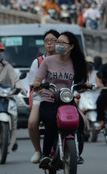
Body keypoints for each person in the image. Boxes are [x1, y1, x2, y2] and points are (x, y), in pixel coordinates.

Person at [33, 31, 90, 168]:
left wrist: (85, 86)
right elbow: (37, 81)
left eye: (62, 43)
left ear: (71, 47)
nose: (58, 45)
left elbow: (80, 84)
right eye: (57, 42)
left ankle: (77, 152)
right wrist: (38, 84)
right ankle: (45, 155)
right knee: (52, 122)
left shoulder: (76, 63)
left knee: (80, 123)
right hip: (49, 99)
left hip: (67, 100)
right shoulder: (48, 61)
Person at [28, 29, 60, 164]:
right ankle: (38, 151)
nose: (49, 43)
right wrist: (40, 89)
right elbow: (32, 83)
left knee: (82, 121)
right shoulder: (38, 62)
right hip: (41, 97)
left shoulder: (65, 60)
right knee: (32, 122)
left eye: (53, 40)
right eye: (47, 41)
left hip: (61, 97)